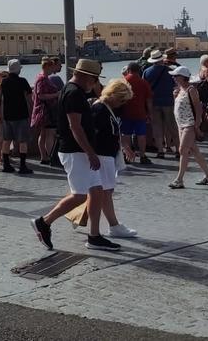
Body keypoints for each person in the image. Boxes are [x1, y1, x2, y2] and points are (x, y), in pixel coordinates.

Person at [30, 59, 121, 252]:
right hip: (75, 151)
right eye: (94, 78)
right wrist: (90, 153)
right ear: (86, 76)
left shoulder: (75, 92)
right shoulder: (73, 94)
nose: (95, 83)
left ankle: (94, 235)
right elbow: (75, 126)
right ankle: (44, 222)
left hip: (79, 150)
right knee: (79, 195)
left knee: (96, 191)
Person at [91, 79, 138, 238]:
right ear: (113, 95)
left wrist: (124, 147)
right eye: (121, 99)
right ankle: (113, 225)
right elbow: (96, 134)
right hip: (102, 154)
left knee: (105, 191)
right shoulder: (100, 109)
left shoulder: (107, 108)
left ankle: (113, 225)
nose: (122, 103)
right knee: (105, 191)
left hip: (108, 154)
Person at [167, 67, 208, 188]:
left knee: (183, 150)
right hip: (181, 124)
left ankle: (179, 180)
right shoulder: (179, 90)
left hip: (189, 124)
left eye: (176, 76)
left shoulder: (191, 90)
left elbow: (198, 107)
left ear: (183, 77)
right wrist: (175, 96)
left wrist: (197, 124)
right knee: (194, 151)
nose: (173, 78)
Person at [0, 59, 34, 174]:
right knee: (23, 141)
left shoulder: (4, 82)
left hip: (7, 115)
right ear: (18, 69)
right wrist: (31, 109)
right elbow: (29, 97)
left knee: (6, 140)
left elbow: (0, 97)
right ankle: (22, 166)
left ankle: (6, 165)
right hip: (21, 114)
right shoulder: (22, 81)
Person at [143, 51, 178, 159]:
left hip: (153, 103)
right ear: (161, 59)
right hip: (168, 102)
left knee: (157, 127)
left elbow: (145, 88)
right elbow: (175, 86)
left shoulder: (146, 72)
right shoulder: (170, 71)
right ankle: (178, 150)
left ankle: (160, 150)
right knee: (172, 126)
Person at [120, 63, 152, 165]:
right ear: (139, 70)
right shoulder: (143, 82)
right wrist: (150, 113)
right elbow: (148, 100)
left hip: (125, 112)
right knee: (141, 135)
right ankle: (142, 156)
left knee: (126, 134)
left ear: (128, 70)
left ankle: (127, 155)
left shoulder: (123, 81)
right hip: (140, 112)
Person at [32, 57, 60, 165]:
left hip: (42, 110)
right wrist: (56, 94)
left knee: (43, 134)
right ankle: (51, 156)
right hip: (46, 111)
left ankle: (44, 156)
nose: (53, 69)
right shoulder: (43, 79)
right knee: (49, 134)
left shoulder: (40, 77)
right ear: (47, 66)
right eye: (52, 66)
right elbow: (41, 95)